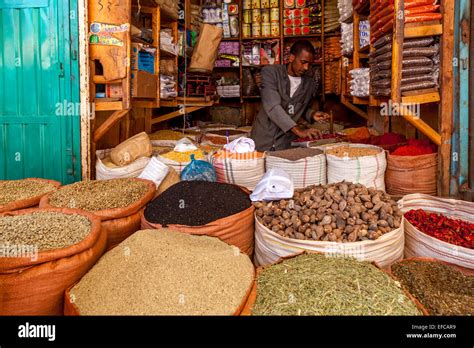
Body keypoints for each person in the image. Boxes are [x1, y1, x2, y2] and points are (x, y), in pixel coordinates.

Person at [250, 40, 329, 151]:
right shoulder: (270, 73)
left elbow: (294, 107)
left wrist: (311, 114)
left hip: (285, 144)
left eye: (310, 64)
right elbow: (273, 107)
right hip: (263, 140)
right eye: (303, 62)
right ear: (291, 58)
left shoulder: (309, 82)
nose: (306, 68)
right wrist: (299, 131)